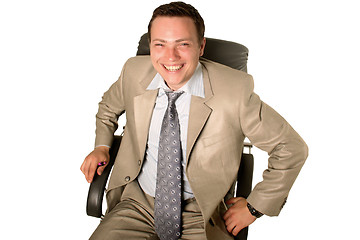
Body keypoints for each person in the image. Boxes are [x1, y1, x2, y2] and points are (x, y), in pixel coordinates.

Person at [80, 2, 308, 240]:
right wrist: (102, 146)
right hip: (138, 203)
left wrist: (254, 207)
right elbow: (108, 107)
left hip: (202, 213)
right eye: (160, 44)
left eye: (183, 44)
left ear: (201, 46)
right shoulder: (134, 72)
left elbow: (291, 147)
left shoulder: (235, 92)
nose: (170, 56)